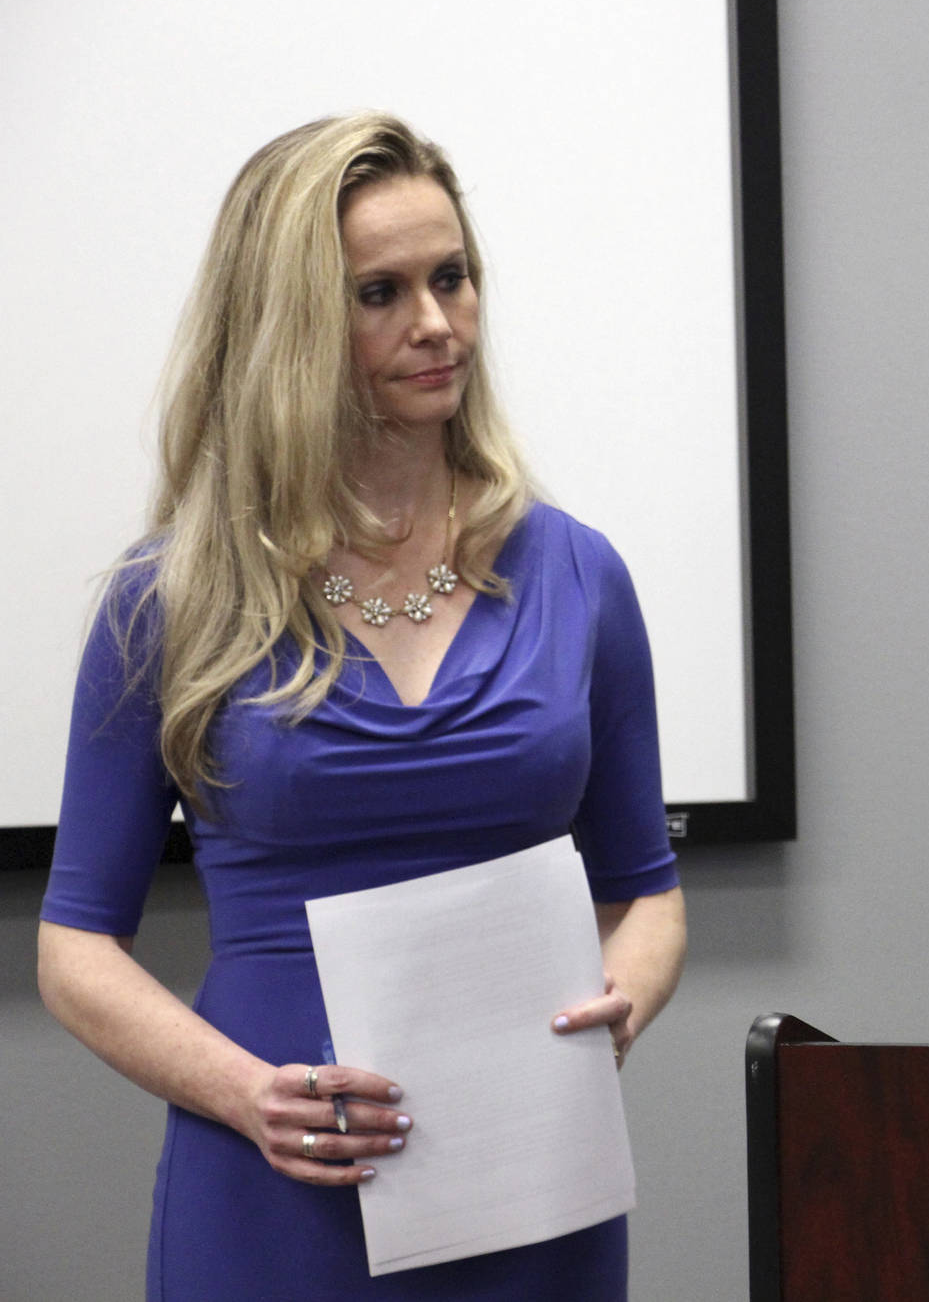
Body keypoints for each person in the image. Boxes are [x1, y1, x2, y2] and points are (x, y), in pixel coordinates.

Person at [37, 113, 688, 1300]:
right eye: (378, 293)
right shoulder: (170, 598)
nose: (436, 325)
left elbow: (645, 893)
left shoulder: (579, 573)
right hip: (277, 1183)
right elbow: (75, 948)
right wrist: (249, 1095)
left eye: (453, 278)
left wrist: (623, 999)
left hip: (529, 1184)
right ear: (290, 325)